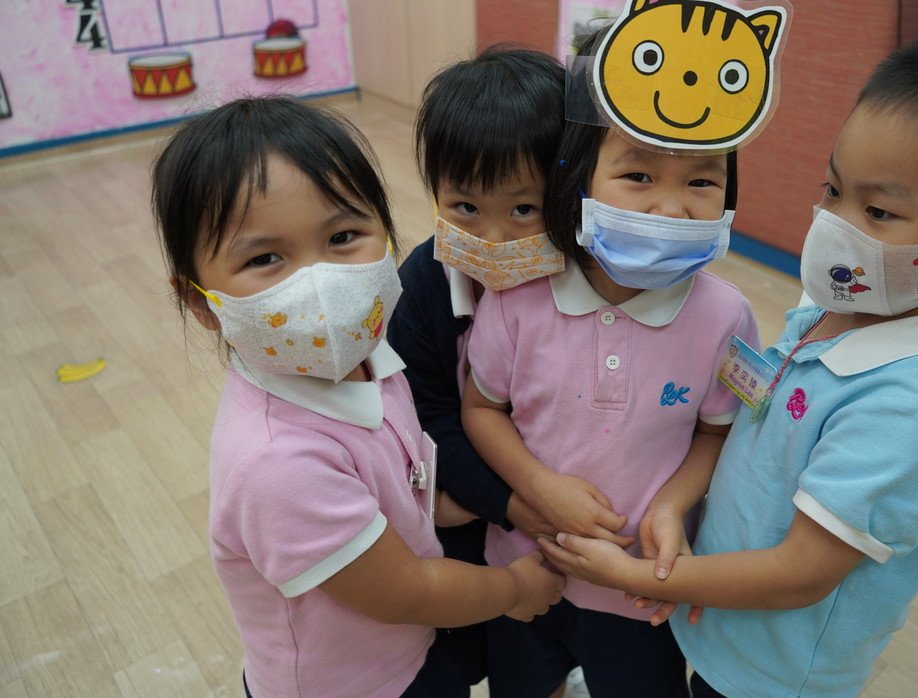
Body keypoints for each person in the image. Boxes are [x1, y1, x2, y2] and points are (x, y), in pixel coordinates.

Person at [538, 17, 918, 698]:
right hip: (715, 613)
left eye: (879, 212)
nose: (834, 227)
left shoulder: (909, 410)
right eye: (833, 190)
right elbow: (752, 415)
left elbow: (800, 574)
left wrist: (633, 576)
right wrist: (675, 505)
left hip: (772, 672)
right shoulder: (835, 305)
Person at [151, 96, 564, 698]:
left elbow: (394, 470)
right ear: (200, 303)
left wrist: (441, 506)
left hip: (408, 653)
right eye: (265, 258)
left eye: (343, 236)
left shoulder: (371, 355)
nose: (318, 282)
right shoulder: (278, 463)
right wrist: (518, 590)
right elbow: (406, 593)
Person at [460, 27, 759, 698]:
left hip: (640, 585)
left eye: (701, 180)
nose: (669, 206)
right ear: (578, 176)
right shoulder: (517, 299)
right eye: (638, 175)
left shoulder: (724, 316)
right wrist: (539, 486)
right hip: (526, 563)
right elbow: (481, 408)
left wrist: (672, 507)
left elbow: (718, 432)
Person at [386, 47, 566, 685]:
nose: (492, 239)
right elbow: (427, 415)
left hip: (567, 518)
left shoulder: (587, 283)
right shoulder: (422, 284)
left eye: (523, 210)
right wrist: (505, 503)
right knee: (464, 652)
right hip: (464, 514)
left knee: (541, 650)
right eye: (464, 206)